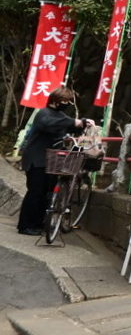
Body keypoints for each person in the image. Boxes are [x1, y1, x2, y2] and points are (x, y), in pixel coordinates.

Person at [16, 87, 87, 235]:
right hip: (36, 159)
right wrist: (74, 122)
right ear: (55, 101)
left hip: (51, 160)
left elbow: (67, 128)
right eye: (64, 101)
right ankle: (25, 225)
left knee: (46, 194)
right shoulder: (44, 113)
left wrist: (81, 126)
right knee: (35, 192)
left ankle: (39, 224)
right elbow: (50, 124)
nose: (66, 104)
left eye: (68, 101)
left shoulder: (59, 116)